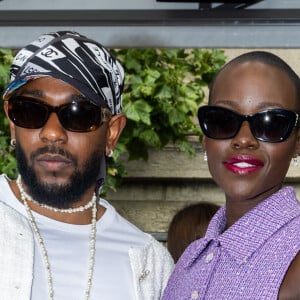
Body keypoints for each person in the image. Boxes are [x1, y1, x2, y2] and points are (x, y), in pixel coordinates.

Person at [0, 31, 173, 300]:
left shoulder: (149, 262)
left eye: (78, 114)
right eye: (30, 110)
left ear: (112, 132)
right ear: (12, 122)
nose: (52, 133)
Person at [162, 51, 300, 300]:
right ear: (205, 138)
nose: (243, 139)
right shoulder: (190, 260)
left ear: (297, 141)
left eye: (271, 123)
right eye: (223, 121)